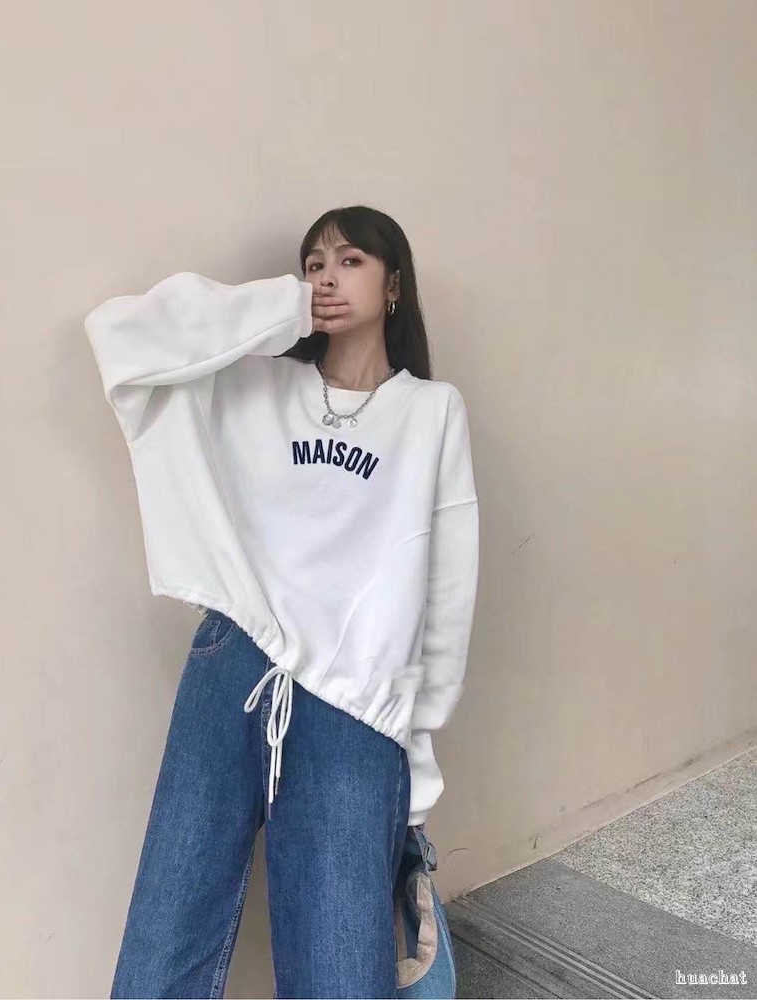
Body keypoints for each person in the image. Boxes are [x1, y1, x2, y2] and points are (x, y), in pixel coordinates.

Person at [84, 204, 480, 999]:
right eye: (314, 264)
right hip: (237, 660)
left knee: (340, 969)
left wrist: (418, 776)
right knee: (168, 932)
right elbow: (120, 338)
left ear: (394, 284)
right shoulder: (257, 385)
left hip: (356, 701)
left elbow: (446, 595)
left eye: (351, 261)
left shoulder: (432, 411)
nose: (328, 277)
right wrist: (282, 309)